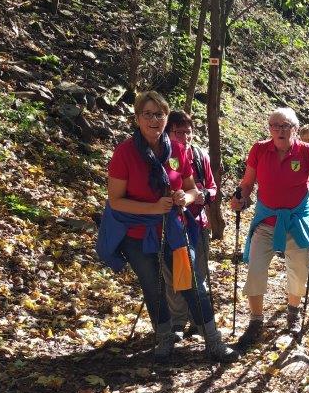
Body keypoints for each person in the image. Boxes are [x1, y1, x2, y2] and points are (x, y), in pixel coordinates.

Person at [96, 91, 234, 363]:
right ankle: (165, 338)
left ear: (166, 118)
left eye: (159, 114)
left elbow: (192, 189)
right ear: (137, 118)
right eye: (147, 114)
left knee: (192, 282)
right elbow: (115, 200)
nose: (154, 120)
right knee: (153, 284)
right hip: (135, 231)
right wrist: (152, 208)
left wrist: (186, 197)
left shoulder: (177, 149)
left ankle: (214, 341)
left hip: (172, 227)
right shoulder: (125, 153)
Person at [230, 107, 309, 343]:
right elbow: (247, 183)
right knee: (255, 268)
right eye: (274, 126)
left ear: (295, 129)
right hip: (266, 218)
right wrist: (240, 197)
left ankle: (293, 313)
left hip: (297, 218)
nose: (279, 130)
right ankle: (256, 320)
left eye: (285, 126)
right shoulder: (259, 149)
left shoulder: (306, 152)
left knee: (299, 268)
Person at [165, 110, 215, 337]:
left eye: (188, 132)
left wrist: (205, 194)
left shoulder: (199, 156)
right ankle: (177, 322)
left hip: (199, 222)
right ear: (168, 133)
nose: (185, 137)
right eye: (179, 132)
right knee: (174, 274)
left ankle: (198, 321)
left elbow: (211, 186)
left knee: (199, 273)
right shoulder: (162, 156)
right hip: (171, 224)